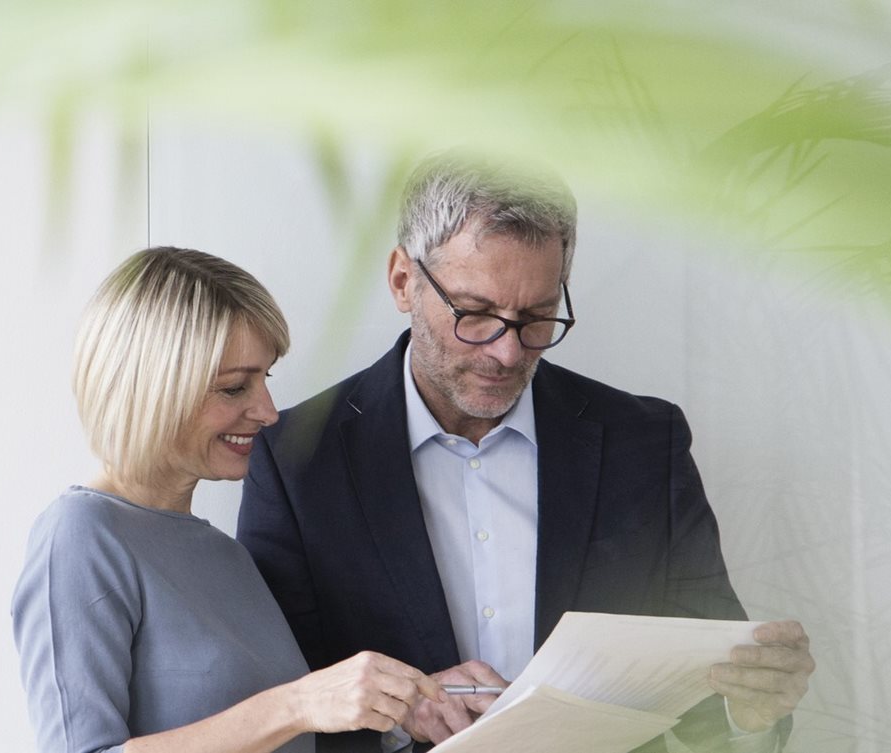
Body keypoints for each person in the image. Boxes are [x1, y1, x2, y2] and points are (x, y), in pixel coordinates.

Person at [236, 158, 817, 752]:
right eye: (476, 313)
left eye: (537, 317)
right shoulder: (296, 459)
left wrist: (752, 714)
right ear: (403, 281)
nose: (509, 353)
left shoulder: (645, 444)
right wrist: (393, 719)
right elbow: (275, 708)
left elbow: (709, 695)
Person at [13, 247, 448, 753]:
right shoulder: (82, 535)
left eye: (266, 379)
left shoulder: (227, 555)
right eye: (235, 387)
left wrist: (405, 706)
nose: (267, 411)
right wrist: (296, 704)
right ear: (153, 388)